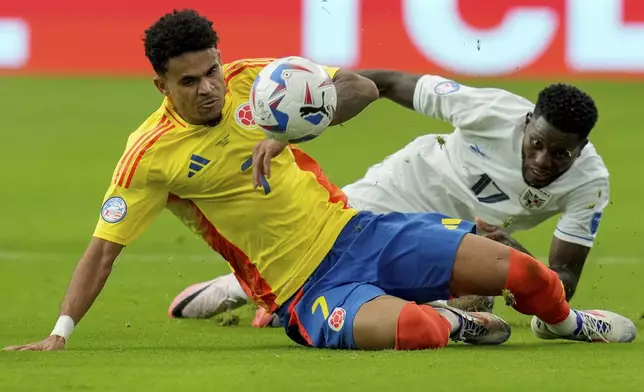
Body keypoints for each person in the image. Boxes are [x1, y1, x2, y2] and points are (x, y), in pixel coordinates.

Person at [4, 9, 636, 352]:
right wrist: (60, 334)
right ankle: (454, 319)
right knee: (418, 333)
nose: (211, 88)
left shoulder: (261, 79)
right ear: (161, 85)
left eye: (213, 71)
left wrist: (296, 127)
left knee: (530, 276)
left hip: (360, 229)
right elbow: (103, 249)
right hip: (301, 285)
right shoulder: (150, 157)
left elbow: (362, 86)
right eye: (190, 80)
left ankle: (565, 326)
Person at [171, 75, 612, 327]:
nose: (542, 160)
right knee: (314, 255)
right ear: (527, 121)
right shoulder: (489, 110)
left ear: (583, 146)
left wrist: (512, 254)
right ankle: (239, 288)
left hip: (466, 235)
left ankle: (299, 307)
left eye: (560, 154)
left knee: (470, 303)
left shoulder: (590, 183)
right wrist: (301, 125)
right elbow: (382, 82)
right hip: (398, 190)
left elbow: (562, 281)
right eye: (536, 143)